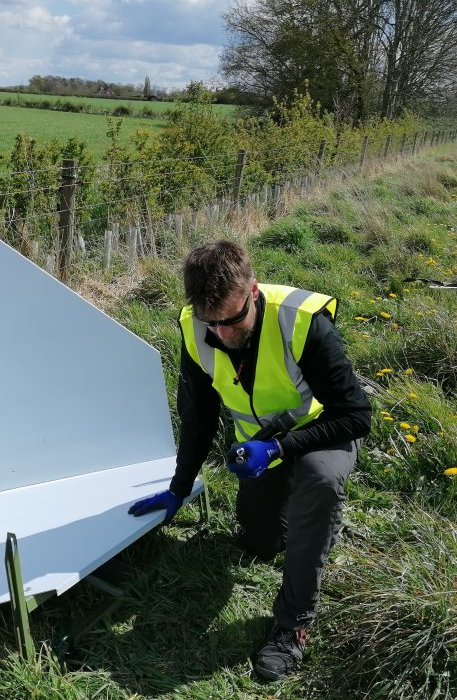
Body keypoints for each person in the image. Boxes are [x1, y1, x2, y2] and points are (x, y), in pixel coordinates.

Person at [128, 240, 371, 681]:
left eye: (232, 320)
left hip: (320, 433)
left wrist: (281, 449)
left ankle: (293, 625)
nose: (220, 334)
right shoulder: (195, 327)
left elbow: (355, 416)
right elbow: (198, 417)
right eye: (210, 322)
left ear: (253, 291)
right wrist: (179, 488)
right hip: (260, 446)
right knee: (262, 545)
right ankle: (308, 522)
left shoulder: (301, 321)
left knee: (317, 481)